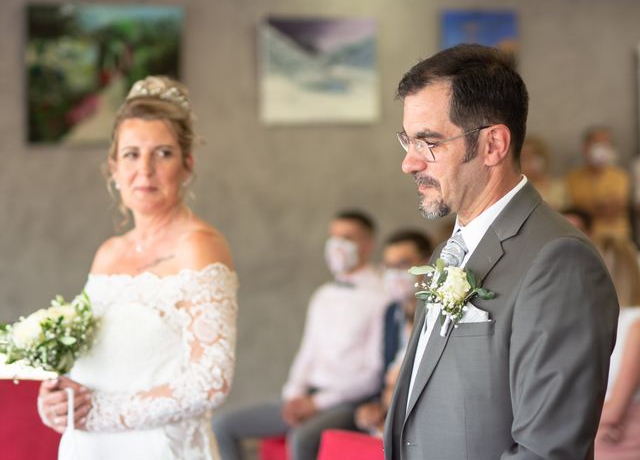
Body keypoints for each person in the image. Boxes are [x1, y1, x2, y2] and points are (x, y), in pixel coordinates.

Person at [384, 44, 619, 459]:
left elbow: (547, 450)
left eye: (428, 142)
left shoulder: (560, 261)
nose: (409, 163)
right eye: (408, 140)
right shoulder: (446, 253)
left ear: (493, 145)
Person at [37, 76, 238, 460]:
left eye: (162, 153)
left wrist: (98, 413)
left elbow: (210, 381)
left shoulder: (199, 247)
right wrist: (58, 399)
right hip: (88, 449)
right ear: (113, 166)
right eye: (131, 154)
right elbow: (90, 357)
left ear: (187, 165)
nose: (144, 170)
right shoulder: (107, 254)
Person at [213, 210, 389, 460]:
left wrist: (317, 404)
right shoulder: (323, 295)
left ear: (368, 244)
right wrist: (294, 394)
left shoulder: (381, 298)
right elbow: (308, 352)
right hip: (307, 394)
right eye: (334, 237)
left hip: (347, 401)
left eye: (348, 238)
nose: (337, 245)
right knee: (223, 425)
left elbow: (373, 374)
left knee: (302, 439)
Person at [355, 230, 432, 437]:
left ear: (428, 263)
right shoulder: (391, 312)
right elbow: (383, 370)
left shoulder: (438, 313)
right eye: (389, 267)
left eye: (403, 265)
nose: (394, 274)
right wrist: (375, 406)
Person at [595, 237, 640, 458]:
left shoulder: (636, 325)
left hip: (624, 440)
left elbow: (615, 412)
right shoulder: (594, 320)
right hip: (598, 434)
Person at [566, 126, 631, 242]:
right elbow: (578, 210)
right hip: (587, 240)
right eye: (597, 143)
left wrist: (593, 205)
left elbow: (614, 207)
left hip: (618, 239)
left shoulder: (621, 176)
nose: (602, 148)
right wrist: (601, 205)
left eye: (606, 144)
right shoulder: (573, 178)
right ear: (585, 148)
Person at [520, 134, 567, 210]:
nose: (531, 162)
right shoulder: (521, 190)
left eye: (535, 155)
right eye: (526, 157)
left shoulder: (560, 185)